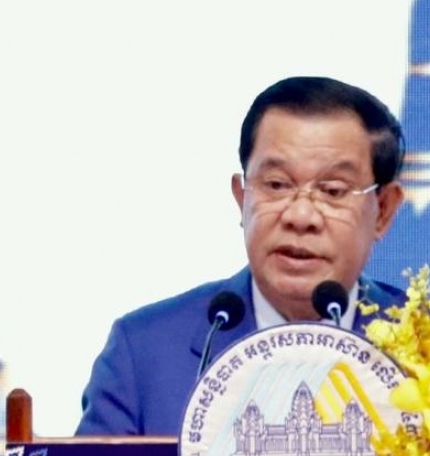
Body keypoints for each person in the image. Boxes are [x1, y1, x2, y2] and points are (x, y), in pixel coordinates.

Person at [75, 76, 406, 436]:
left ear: (384, 211)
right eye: (276, 185)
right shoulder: (143, 353)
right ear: (242, 198)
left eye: (332, 191)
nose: (300, 216)